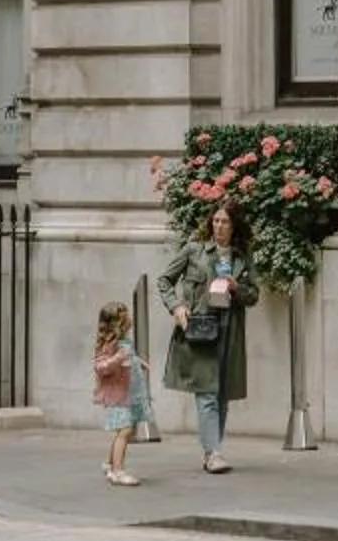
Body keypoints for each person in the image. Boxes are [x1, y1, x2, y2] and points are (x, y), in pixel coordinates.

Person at [159, 198, 258, 472]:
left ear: (234, 225)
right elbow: (164, 280)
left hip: (230, 331)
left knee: (222, 394)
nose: (219, 226)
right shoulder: (195, 250)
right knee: (207, 393)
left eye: (225, 221)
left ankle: (212, 451)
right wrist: (176, 306)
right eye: (215, 220)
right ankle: (213, 452)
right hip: (202, 329)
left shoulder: (241, 256)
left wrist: (237, 287)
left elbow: (254, 295)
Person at [93, 299, 150, 488]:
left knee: (123, 430)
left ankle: (110, 464)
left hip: (128, 393)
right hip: (117, 396)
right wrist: (117, 359)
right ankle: (118, 471)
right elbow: (100, 367)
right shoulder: (109, 345)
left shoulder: (125, 341)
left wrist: (138, 362)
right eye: (126, 318)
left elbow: (129, 356)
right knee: (124, 431)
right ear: (117, 323)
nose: (130, 321)